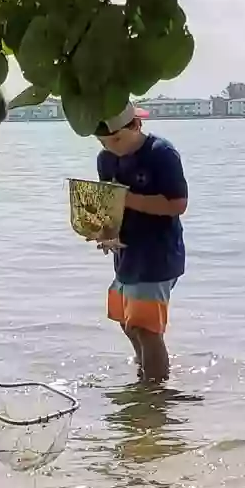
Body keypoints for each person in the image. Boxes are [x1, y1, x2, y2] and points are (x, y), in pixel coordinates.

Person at [94, 109, 189, 385]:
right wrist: (104, 231)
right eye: (103, 143)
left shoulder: (161, 153)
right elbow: (108, 203)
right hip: (126, 253)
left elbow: (177, 204)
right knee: (125, 322)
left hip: (158, 253)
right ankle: (144, 373)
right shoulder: (106, 159)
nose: (113, 148)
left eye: (118, 140)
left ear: (136, 125)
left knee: (145, 328)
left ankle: (154, 392)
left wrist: (127, 200)